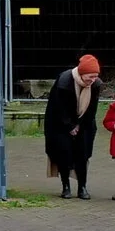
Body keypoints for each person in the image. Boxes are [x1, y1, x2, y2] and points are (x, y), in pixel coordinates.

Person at [43, 54, 102, 197]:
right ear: (82, 73)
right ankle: (66, 186)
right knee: (63, 153)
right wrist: (70, 126)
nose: (93, 80)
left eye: (95, 76)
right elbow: (58, 107)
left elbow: (92, 109)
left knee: (83, 155)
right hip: (60, 123)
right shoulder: (64, 81)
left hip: (85, 123)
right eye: (90, 76)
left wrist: (80, 125)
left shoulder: (96, 85)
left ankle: (82, 187)